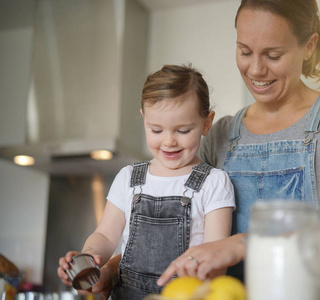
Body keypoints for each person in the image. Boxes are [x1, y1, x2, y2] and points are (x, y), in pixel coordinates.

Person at [85, 0, 320, 295]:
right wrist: (110, 272)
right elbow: (171, 244)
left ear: (309, 46)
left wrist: (240, 244)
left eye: (273, 55)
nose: (256, 69)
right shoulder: (221, 135)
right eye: (244, 51)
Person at [56, 64, 235, 299]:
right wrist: (88, 258)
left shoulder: (215, 183)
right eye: (156, 130)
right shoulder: (129, 178)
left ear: (206, 123)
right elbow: (106, 236)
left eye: (182, 130)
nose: (169, 141)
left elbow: (216, 257)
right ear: (144, 118)